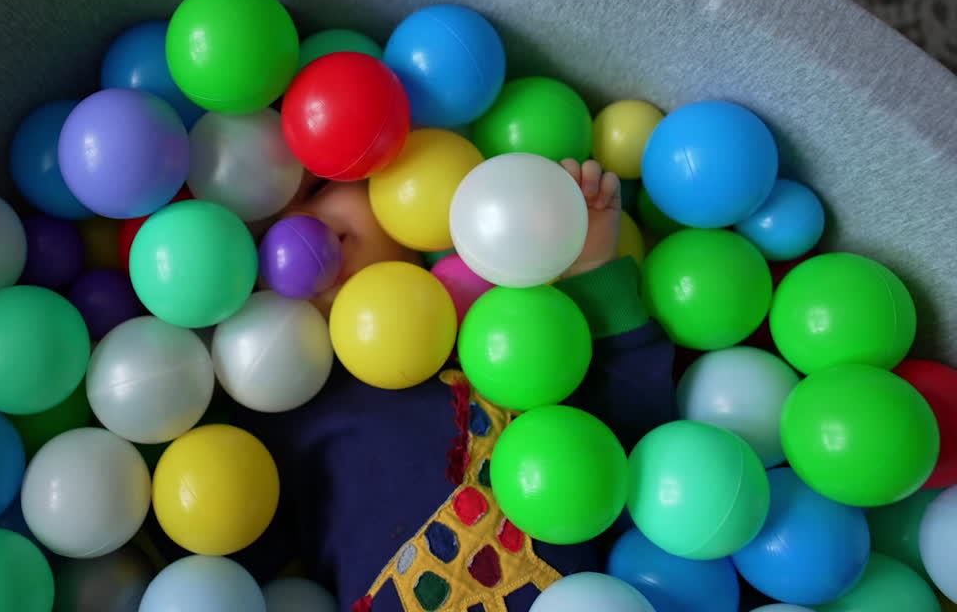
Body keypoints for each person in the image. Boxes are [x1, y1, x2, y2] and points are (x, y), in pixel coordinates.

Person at [152, 159, 679, 612]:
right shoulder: (275, 403)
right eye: (261, 238)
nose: (301, 235)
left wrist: (587, 266)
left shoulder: (509, 324)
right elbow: (224, 553)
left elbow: (635, 440)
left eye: (318, 188)